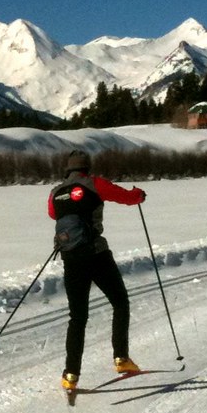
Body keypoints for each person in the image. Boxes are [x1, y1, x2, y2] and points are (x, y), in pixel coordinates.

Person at [48, 149, 146, 394]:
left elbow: (52, 214)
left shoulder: (55, 192)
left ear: (67, 170)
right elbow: (125, 197)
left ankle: (71, 375)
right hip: (96, 255)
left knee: (77, 317)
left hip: (71, 258)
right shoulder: (95, 184)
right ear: (86, 168)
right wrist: (139, 195)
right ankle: (121, 358)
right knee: (120, 302)